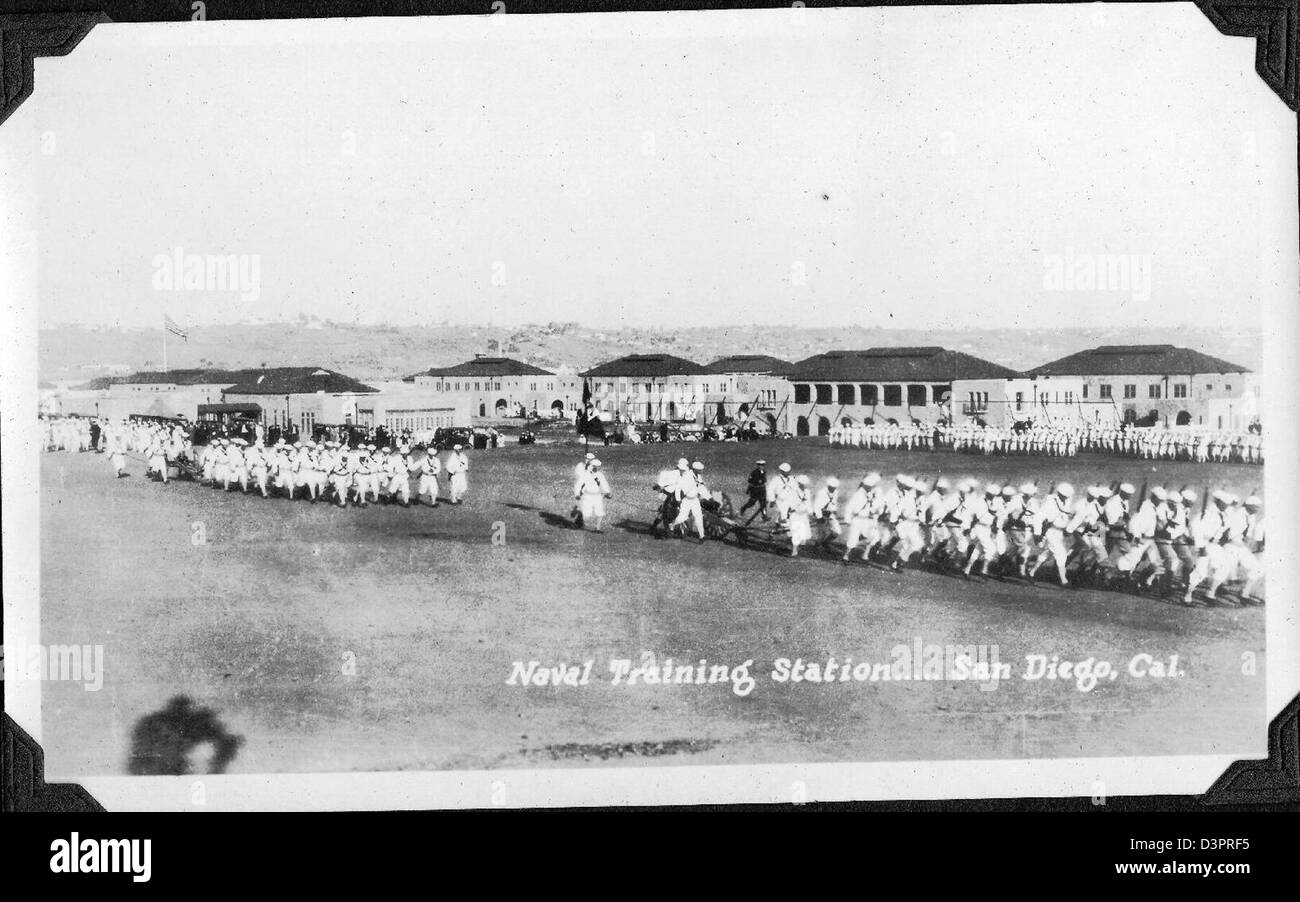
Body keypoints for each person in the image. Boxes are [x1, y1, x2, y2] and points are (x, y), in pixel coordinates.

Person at [668, 460, 708, 543]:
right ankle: (672, 525)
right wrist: (678, 499)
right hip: (687, 500)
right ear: (695, 469)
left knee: (699, 517)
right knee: (683, 517)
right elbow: (678, 488)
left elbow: (701, 488)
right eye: (700, 469)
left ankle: (701, 536)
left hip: (695, 500)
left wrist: (709, 497)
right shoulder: (686, 476)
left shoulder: (698, 477)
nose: (701, 471)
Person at [574, 458, 613, 532]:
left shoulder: (600, 475)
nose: (597, 468)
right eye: (595, 466)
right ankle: (579, 520)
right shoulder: (585, 474)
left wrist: (607, 492)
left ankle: (597, 528)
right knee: (587, 513)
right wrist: (577, 493)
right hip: (587, 495)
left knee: (600, 512)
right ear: (591, 466)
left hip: (597, 495)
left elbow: (604, 484)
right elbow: (579, 484)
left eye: (598, 466)